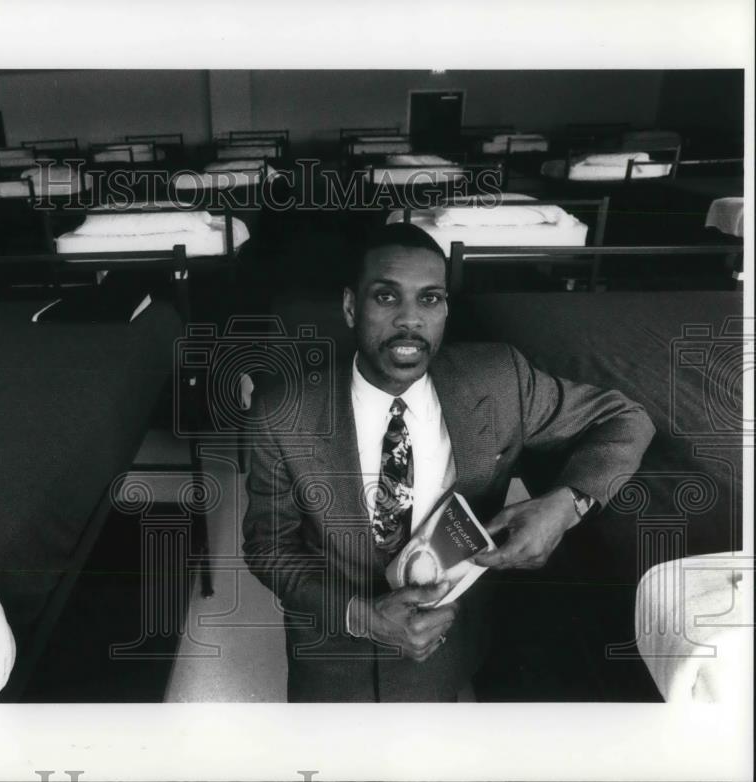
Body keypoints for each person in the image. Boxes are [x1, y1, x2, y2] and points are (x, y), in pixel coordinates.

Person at [242, 222, 655, 702]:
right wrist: (359, 615)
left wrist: (566, 506)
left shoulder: (500, 380)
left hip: (448, 650)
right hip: (331, 658)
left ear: (446, 310)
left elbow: (626, 418)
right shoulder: (280, 412)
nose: (410, 320)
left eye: (430, 299)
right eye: (387, 297)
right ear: (351, 306)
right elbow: (268, 547)